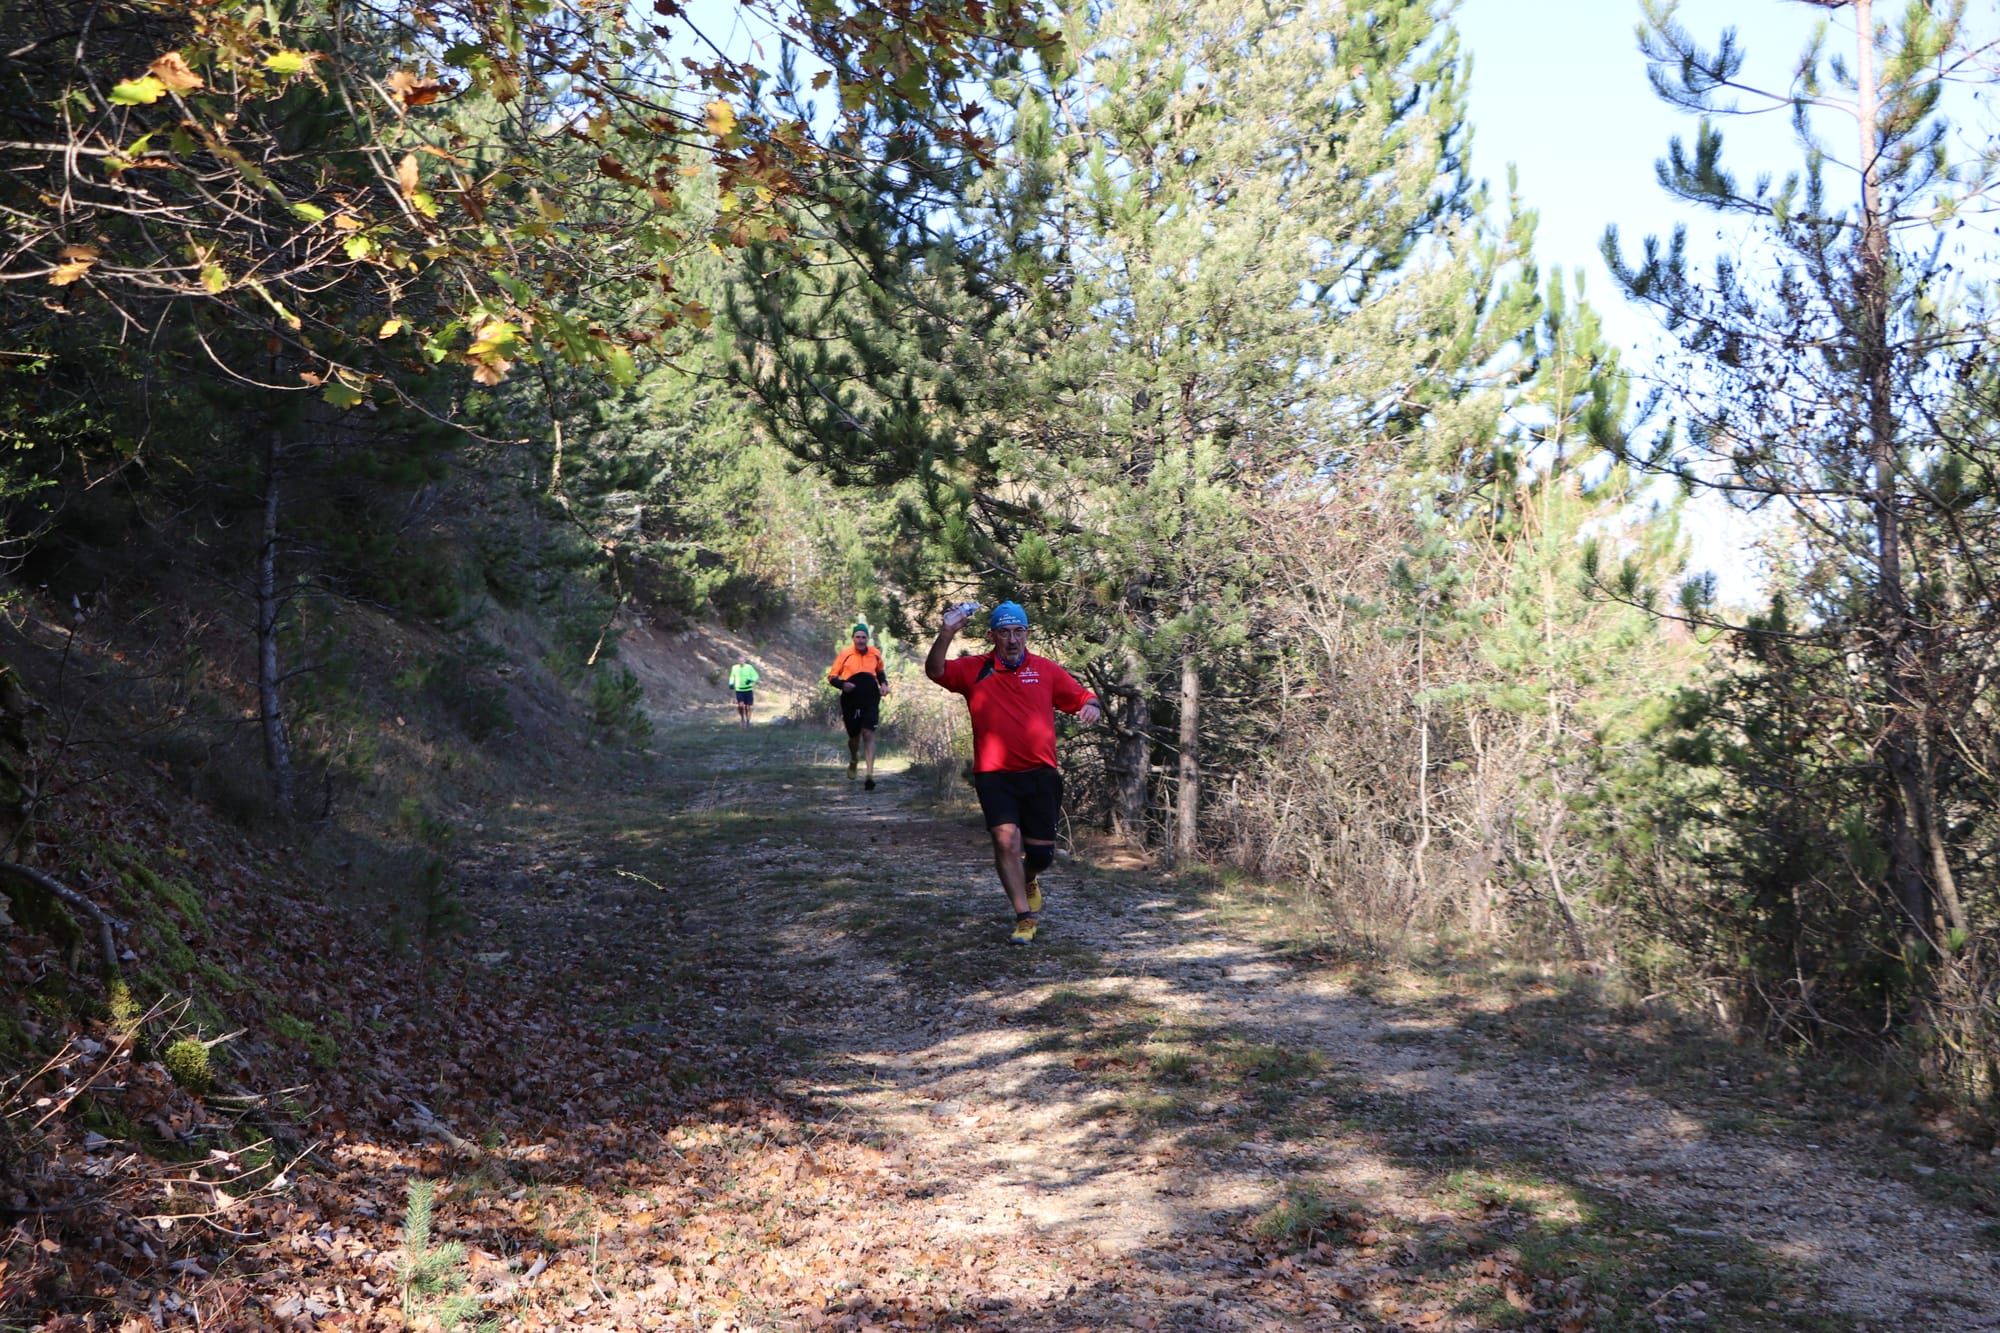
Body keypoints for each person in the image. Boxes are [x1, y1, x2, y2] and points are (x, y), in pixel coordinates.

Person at [926, 600, 1100, 945]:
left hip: (1040, 774)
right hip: (995, 775)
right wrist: (946, 633)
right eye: (1004, 632)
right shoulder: (975, 669)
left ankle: (1029, 877)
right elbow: (935, 671)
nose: (1011, 639)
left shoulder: (1046, 670)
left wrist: (1091, 707)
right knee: (1005, 842)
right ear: (992, 635)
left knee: (1041, 855)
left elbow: (1083, 697)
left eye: (1018, 631)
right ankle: (1024, 917)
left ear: (1027, 634)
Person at [827, 622, 890, 789]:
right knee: (854, 737)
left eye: (863, 637)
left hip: (870, 697)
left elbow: (880, 672)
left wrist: (883, 684)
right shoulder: (845, 654)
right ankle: (854, 758)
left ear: (868, 638)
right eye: (858, 637)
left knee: (868, 733)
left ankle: (869, 775)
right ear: (853, 638)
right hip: (851, 698)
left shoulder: (875, 653)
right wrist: (843, 685)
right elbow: (832, 676)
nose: (861, 641)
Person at [727, 656, 760, 727]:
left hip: (748, 689)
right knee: (740, 705)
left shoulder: (749, 667)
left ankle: (748, 722)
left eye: (742, 661)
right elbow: (732, 676)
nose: (741, 662)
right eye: (740, 661)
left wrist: (751, 680)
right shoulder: (734, 668)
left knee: (748, 706)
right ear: (738, 661)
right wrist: (731, 683)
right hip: (739, 689)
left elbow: (756, 676)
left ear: (745, 661)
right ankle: (742, 719)